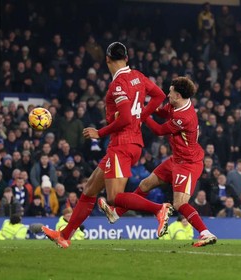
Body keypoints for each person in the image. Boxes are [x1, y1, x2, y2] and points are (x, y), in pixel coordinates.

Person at [42, 42, 168, 248]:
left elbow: (126, 117)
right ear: (126, 58)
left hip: (122, 143)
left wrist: (99, 133)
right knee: (90, 189)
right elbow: (160, 96)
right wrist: (142, 116)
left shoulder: (117, 85)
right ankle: (64, 235)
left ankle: (158, 209)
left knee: (114, 198)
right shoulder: (138, 76)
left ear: (107, 59)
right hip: (130, 142)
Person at [112, 76, 218, 247]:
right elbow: (161, 112)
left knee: (179, 203)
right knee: (145, 185)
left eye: (170, 92)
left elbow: (159, 130)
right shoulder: (178, 103)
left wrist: (140, 115)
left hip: (188, 164)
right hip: (176, 159)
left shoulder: (185, 116)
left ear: (178, 95)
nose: (168, 95)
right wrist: (144, 106)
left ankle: (205, 233)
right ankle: (116, 213)